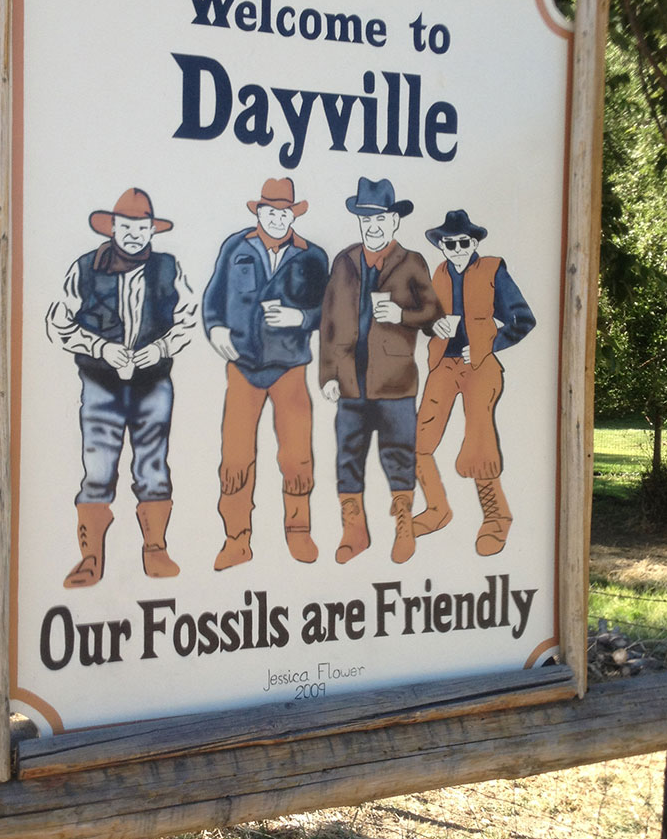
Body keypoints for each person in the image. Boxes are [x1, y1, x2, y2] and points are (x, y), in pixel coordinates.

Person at [46, 187, 195, 586]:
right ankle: (90, 559)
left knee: (153, 467)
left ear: (152, 230)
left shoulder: (168, 268)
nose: (133, 235)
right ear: (112, 227)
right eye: (126, 227)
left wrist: (160, 348)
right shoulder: (84, 268)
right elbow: (58, 323)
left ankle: (156, 551)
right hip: (100, 384)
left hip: (153, 383)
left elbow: (188, 318)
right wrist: (100, 348)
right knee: (97, 470)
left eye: (141, 228)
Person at [203, 177, 329, 570]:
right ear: (258, 212)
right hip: (242, 366)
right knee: (236, 456)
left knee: (297, 454)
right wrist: (215, 328)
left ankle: (299, 531)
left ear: (294, 214)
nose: (277, 218)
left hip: (290, 367)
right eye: (269, 211)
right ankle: (236, 539)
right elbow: (213, 296)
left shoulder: (313, 256)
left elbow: (330, 311)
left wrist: (301, 318)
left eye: (284, 212)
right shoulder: (235, 247)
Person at [319, 177, 441, 564]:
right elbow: (328, 321)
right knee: (348, 457)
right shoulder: (344, 261)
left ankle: (404, 528)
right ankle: (354, 532)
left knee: (399, 456)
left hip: (395, 382)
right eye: (365, 220)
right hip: (349, 380)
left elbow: (433, 313)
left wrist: (401, 315)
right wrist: (327, 374)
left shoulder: (412, 262)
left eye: (380, 220)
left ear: (394, 221)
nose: (372, 227)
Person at [414, 208, 535, 556]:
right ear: (441, 246)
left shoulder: (493, 270)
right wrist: (432, 325)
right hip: (443, 365)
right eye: (449, 243)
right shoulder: (438, 273)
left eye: (463, 242)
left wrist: (488, 344)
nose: (456, 249)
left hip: (480, 366)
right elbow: (428, 317)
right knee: (419, 440)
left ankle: (497, 519)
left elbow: (523, 319)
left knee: (479, 439)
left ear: (474, 243)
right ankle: (437, 508)